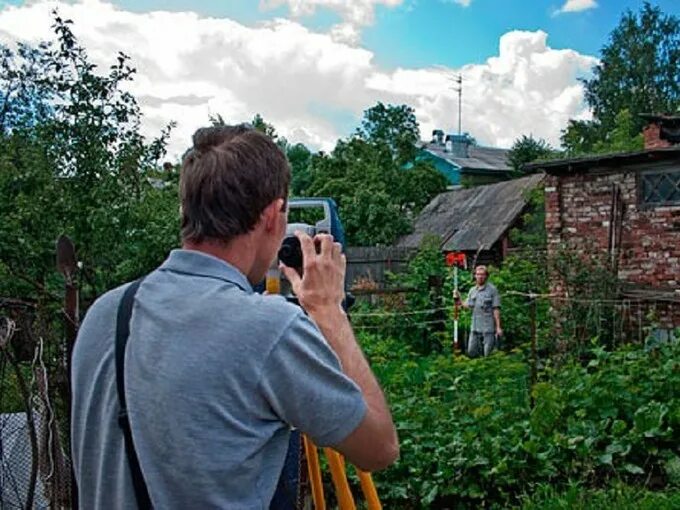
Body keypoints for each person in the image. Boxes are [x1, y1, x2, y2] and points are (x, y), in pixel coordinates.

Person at [71, 125, 399, 509]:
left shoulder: (105, 314)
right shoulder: (270, 330)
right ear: (274, 217)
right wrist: (328, 311)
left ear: (185, 210)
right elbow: (379, 448)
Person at [455, 265, 502, 357]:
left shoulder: (492, 290)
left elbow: (496, 309)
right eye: (478, 274)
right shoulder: (472, 290)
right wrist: (459, 299)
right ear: (475, 276)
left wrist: (498, 327)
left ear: (486, 276)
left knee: (488, 353)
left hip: (488, 327)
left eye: (482, 275)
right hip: (475, 326)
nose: (480, 277)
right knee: (471, 351)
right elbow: (467, 306)